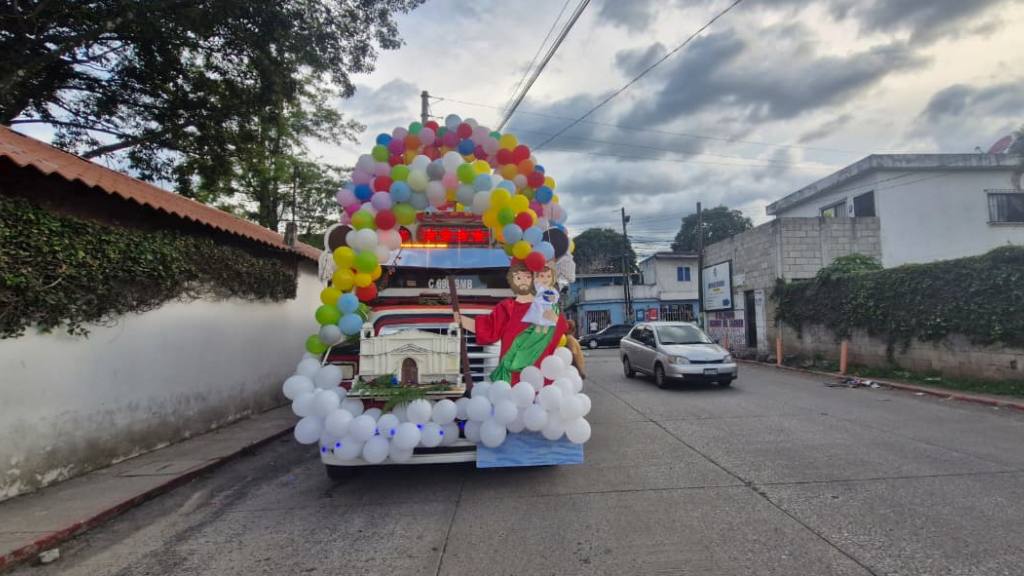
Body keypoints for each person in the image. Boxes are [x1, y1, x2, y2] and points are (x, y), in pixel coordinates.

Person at [454, 260, 568, 383]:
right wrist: (459, 319)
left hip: (540, 380)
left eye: (527, 277)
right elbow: (486, 328)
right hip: (512, 382)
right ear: (511, 281)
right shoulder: (507, 308)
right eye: (518, 277)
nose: (523, 281)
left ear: (534, 279)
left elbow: (561, 329)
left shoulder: (547, 307)